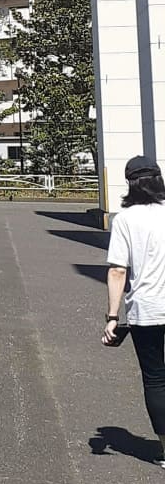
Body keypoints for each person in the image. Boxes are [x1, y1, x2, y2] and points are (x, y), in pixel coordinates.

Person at [103, 154, 165, 466]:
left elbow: (117, 271)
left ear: (130, 184)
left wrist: (112, 318)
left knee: (156, 378)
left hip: (147, 310)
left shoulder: (125, 220)